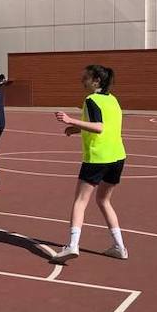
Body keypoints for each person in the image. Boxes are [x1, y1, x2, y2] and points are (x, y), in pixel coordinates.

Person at [52, 65, 129, 263]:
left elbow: (99, 127)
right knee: (103, 201)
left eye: (85, 77)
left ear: (96, 81)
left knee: (80, 201)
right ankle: (120, 246)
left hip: (98, 158)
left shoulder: (91, 100)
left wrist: (71, 120)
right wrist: (75, 130)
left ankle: (72, 245)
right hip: (117, 157)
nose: (82, 81)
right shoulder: (112, 100)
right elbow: (109, 128)